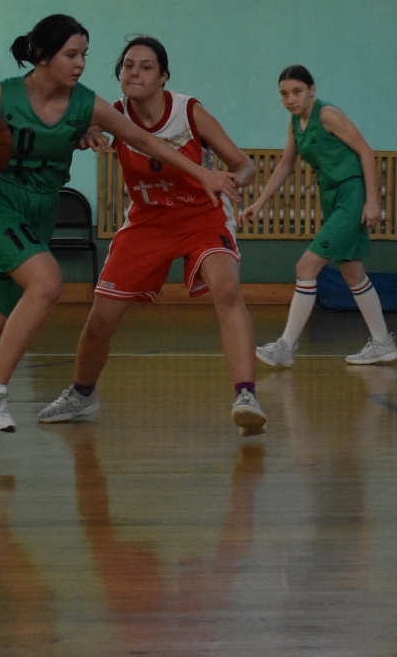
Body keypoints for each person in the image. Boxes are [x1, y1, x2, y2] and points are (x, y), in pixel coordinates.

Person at [0, 15, 239, 438]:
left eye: (84, 55)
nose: (80, 63)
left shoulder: (86, 105)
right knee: (46, 282)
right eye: (71, 55)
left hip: (38, 210)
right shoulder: (1, 95)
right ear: (43, 56)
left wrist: (202, 172)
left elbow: (145, 140)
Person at [38, 36, 266, 430]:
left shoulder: (189, 112)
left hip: (202, 216)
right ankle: (81, 395)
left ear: (163, 76)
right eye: (128, 65)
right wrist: (86, 135)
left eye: (146, 67)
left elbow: (245, 165)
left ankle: (246, 395)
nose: (135, 72)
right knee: (99, 320)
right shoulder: (113, 113)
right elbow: (81, 129)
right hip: (148, 221)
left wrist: (233, 179)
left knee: (227, 290)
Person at [244, 66, 397, 368]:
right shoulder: (294, 123)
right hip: (331, 198)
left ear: (312, 90)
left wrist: (372, 201)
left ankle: (286, 347)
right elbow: (285, 165)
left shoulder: (327, 114)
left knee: (306, 267)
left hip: (351, 195)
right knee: (352, 272)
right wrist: (259, 203)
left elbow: (366, 152)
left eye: (297, 92)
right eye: (284, 94)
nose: (290, 99)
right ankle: (383, 344)